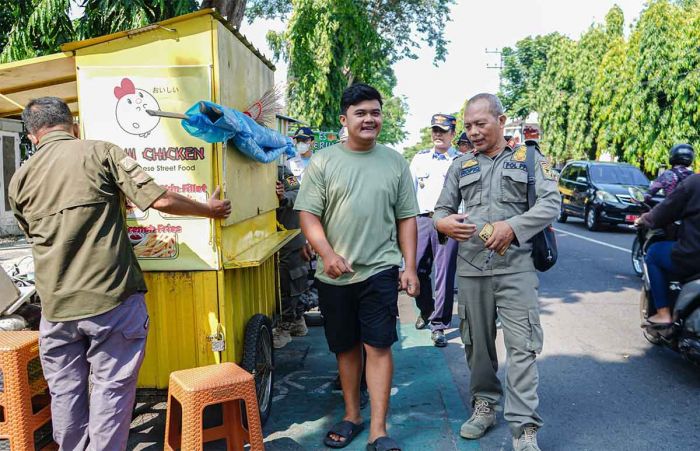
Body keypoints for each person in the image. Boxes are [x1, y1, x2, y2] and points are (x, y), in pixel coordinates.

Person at [8, 97, 231, 450]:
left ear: (33, 136)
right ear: (74, 126)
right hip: (110, 300)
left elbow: (34, 234)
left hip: (55, 308)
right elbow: (159, 199)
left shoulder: (19, 179)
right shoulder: (101, 152)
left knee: (65, 396)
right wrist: (210, 209)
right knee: (110, 394)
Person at [295, 83, 419, 451]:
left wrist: (409, 266)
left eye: (375, 112)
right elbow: (308, 215)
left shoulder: (395, 161)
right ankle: (352, 415)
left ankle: (379, 430)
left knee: (379, 346)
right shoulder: (323, 161)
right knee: (346, 348)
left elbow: (407, 218)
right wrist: (327, 253)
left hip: (379, 269)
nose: (369, 119)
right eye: (361, 113)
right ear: (344, 119)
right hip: (335, 274)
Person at [433, 93, 560, 451]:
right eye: (468, 125)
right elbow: (440, 210)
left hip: (516, 267)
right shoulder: (460, 165)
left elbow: (552, 203)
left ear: (501, 122)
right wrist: (444, 223)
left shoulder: (530, 159)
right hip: (472, 268)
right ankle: (484, 404)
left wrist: (514, 227)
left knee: (522, 346)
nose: (473, 132)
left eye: (480, 124)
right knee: (477, 344)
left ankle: (524, 428)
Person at [409, 114, 459, 347]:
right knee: (417, 269)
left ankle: (439, 324)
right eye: (435, 130)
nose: (438, 134)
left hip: (449, 221)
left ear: (453, 133)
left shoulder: (461, 160)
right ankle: (427, 309)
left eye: (443, 130)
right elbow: (408, 193)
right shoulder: (419, 159)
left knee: (444, 274)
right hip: (422, 220)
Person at [638, 173, 700, 325]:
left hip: (692, 255)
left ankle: (663, 313)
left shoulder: (693, 182)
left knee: (653, 254)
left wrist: (644, 219)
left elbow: (665, 210)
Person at [273, 164, 311, 348]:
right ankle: (296, 320)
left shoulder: (282, 171)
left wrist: (283, 197)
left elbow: (298, 192)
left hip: (289, 236)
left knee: (288, 280)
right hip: (265, 237)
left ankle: (288, 325)